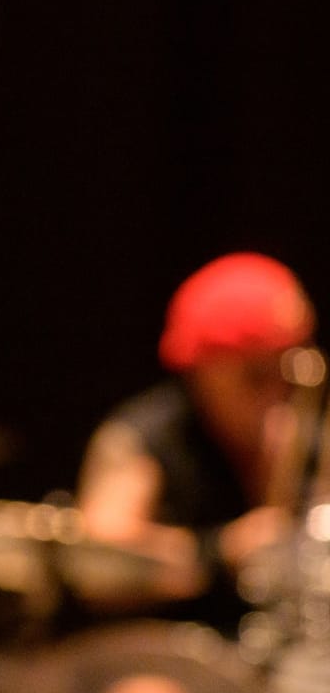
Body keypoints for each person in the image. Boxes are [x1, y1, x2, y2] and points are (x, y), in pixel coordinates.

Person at [76, 251, 318, 629]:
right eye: (255, 376)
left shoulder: (307, 432)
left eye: (288, 374)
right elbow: (99, 564)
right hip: (167, 645)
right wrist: (219, 552)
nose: (277, 397)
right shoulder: (147, 436)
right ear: (203, 369)